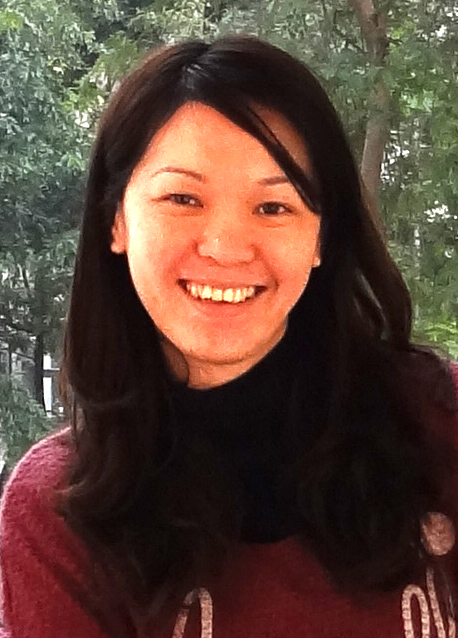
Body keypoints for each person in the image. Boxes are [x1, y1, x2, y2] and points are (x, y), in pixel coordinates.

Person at [0, 34, 457, 638]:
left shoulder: (440, 424)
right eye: (182, 198)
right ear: (116, 220)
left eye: (273, 208)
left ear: (320, 238)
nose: (225, 248)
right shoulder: (57, 513)